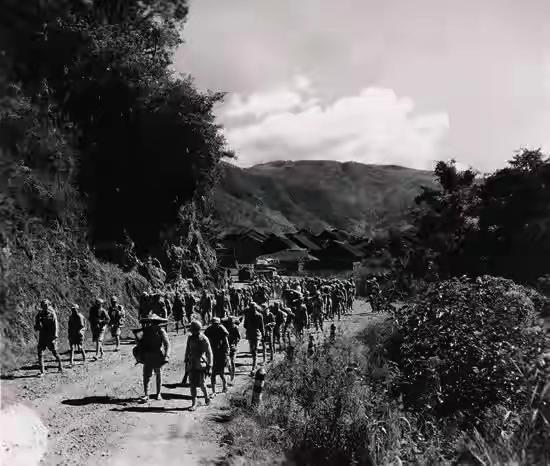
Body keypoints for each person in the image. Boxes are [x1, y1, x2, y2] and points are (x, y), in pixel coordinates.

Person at [135, 313, 171, 403]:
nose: (154, 324)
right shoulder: (146, 331)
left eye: (155, 322)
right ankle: (146, 394)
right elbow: (141, 344)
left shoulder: (161, 331)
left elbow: (167, 344)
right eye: (153, 322)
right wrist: (137, 337)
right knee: (147, 375)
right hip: (148, 355)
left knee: (158, 374)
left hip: (158, 355)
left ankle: (158, 393)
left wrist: (167, 356)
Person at [184, 320, 213, 411]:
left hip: (200, 364)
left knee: (202, 384)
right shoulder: (190, 338)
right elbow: (187, 349)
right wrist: (186, 360)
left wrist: (210, 365)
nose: (192, 331)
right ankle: (194, 403)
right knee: (192, 384)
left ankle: (206, 397)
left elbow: (209, 352)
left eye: (193, 329)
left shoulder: (204, 338)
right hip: (191, 363)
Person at [34, 299, 63, 376]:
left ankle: (60, 365)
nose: (45, 306)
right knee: (40, 352)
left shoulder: (52, 314)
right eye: (43, 305)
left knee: (54, 352)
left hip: (50, 336)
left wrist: (55, 336)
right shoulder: (40, 314)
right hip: (43, 336)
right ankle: (42, 371)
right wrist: (37, 324)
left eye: (46, 305)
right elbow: (36, 325)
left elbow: (56, 325)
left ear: (49, 305)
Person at [204, 317, 230, 395]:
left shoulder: (222, 329)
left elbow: (226, 342)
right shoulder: (209, 330)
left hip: (221, 354)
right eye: (214, 324)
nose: (215, 325)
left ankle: (225, 386)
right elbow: (205, 340)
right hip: (212, 353)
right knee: (213, 373)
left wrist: (227, 353)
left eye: (217, 324)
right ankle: (213, 391)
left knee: (221, 373)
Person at [243, 303, 265, 376]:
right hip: (255, 334)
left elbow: (245, 325)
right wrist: (263, 335)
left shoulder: (248, 315)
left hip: (251, 334)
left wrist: (250, 328)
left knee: (254, 351)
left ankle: (254, 368)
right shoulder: (259, 315)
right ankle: (254, 365)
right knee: (253, 351)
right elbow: (262, 327)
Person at [222, 316, 241, 384]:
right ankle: (231, 374)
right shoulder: (225, 327)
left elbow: (239, 337)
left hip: (233, 347)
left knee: (232, 361)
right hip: (226, 347)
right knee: (228, 362)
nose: (231, 323)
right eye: (230, 322)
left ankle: (232, 376)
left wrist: (235, 343)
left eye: (232, 322)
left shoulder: (236, 328)